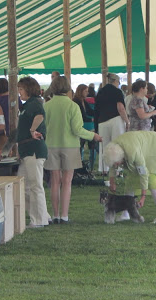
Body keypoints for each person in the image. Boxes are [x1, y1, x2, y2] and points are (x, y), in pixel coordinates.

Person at [44, 76, 103, 224]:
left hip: (51, 145)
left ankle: (55, 214)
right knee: (67, 182)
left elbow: (43, 128)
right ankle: (64, 215)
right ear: (68, 88)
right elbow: (77, 130)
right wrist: (93, 136)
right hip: (70, 146)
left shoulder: (46, 106)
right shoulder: (73, 106)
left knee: (55, 182)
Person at [103, 131, 156, 223]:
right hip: (137, 144)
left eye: (117, 164)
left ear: (121, 158)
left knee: (152, 179)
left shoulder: (133, 153)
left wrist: (143, 196)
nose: (116, 166)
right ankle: (126, 214)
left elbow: (143, 173)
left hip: (153, 146)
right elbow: (112, 166)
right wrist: (112, 182)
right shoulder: (112, 149)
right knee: (130, 181)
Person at [17, 76, 51, 228]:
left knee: (35, 185)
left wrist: (32, 129)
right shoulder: (28, 105)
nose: (19, 92)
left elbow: (40, 116)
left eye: (21, 89)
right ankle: (43, 215)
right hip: (26, 150)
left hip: (33, 149)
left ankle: (39, 220)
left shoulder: (34, 103)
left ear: (29, 89)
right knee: (23, 186)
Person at [95, 73, 128, 173]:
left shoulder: (100, 91)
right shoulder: (118, 91)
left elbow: (96, 110)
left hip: (102, 121)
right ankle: (117, 169)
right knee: (117, 144)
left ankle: (104, 169)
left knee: (104, 146)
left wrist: (96, 126)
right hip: (116, 119)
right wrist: (127, 121)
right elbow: (120, 108)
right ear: (116, 81)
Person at [72, 84, 95, 160]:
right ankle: (79, 164)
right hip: (79, 127)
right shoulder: (76, 101)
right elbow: (82, 116)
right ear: (80, 91)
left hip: (84, 126)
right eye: (85, 91)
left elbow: (90, 111)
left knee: (86, 147)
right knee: (80, 147)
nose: (87, 93)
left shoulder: (83, 101)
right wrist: (91, 119)